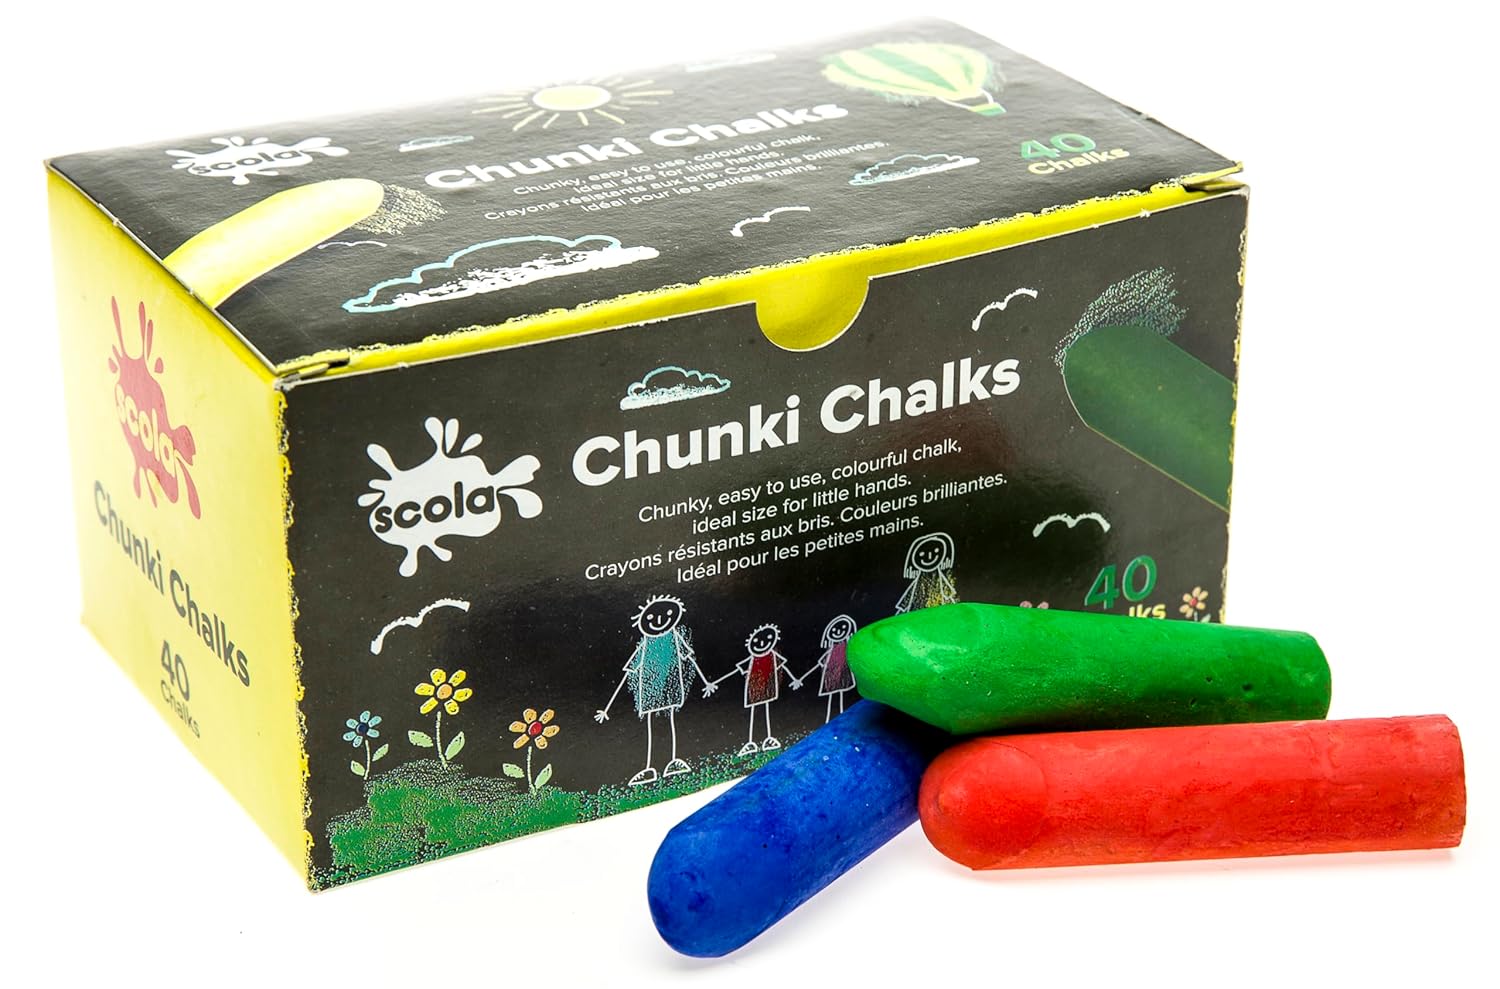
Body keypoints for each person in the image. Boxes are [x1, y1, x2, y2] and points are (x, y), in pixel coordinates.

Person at [595, 594, 715, 786]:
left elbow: (689, 658)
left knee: (670, 721)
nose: (659, 620)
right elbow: (630, 670)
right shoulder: (646, 643)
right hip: (651, 690)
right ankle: (649, 768)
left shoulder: (674, 637)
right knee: (652, 725)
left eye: (666, 615)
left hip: (670, 687)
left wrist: (706, 682)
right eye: (651, 618)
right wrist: (608, 708)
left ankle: (673, 762)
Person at [708, 623, 801, 756]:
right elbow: (735, 671)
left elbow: (783, 666)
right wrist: (714, 683)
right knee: (753, 713)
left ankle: (768, 739)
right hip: (754, 688)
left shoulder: (773, 655)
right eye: (757, 641)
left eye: (767, 639)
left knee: (766, 710)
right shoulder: (753, 658)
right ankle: (750, 743)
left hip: (768, 687)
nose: (762, 643)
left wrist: (795, 679)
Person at [800, 614, 859, 723]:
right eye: (834, 630)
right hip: (831, 676)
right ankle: (829, 719)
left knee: (842, 696)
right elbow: (820, 663)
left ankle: (842, 719)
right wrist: (801, 679)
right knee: (832, 697)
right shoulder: (831, 650)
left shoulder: (848, 647)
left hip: (844, 675)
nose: (838, 632)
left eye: (843, 628)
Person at [895, 531, 958, 613]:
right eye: (921, 554)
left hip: (938, 610)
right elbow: (910, 595)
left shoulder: (939, 578)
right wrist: (902, 608)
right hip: (918, 611)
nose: (929, 557)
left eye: (936, 551)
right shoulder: (919, 582)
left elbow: (948, 593)